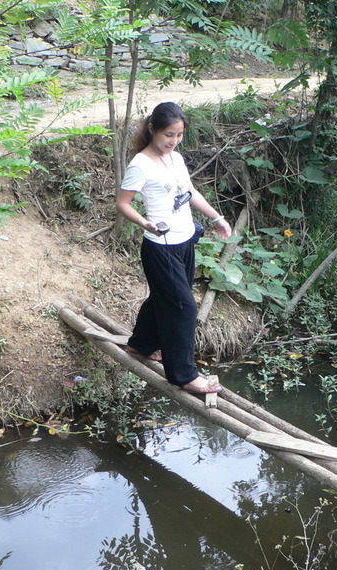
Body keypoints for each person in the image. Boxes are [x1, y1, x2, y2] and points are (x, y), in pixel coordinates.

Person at [116, 102, 232, 395]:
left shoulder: (176, 158)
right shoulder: (140, 164)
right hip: (161, 246)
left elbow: (189, 192)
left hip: (185, 241)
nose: (173, 141)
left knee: (162, 298)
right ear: (153, 129)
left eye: (179, 135)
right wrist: (146, 224)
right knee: (184, 307)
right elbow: (123, 203)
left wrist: (216, 217)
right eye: (169, 134)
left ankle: (141, 344)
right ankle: (183, 374)